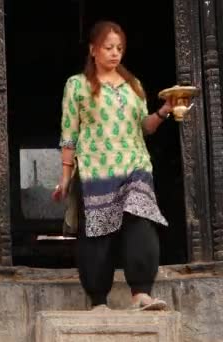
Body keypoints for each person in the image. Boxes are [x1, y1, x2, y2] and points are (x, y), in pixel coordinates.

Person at [53, 21, 171, 311]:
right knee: (97, 233)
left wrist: (165, 111)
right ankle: (98, 300)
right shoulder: (77, 85)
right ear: (93, 50)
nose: (115, 53)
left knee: (140, 220)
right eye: (108, 47)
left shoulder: (134, 86)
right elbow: (69, 135)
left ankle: (141, 293)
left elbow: (144, 126)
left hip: (135, 165)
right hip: (96, 170)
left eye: (119, 48)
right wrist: (66, 177)